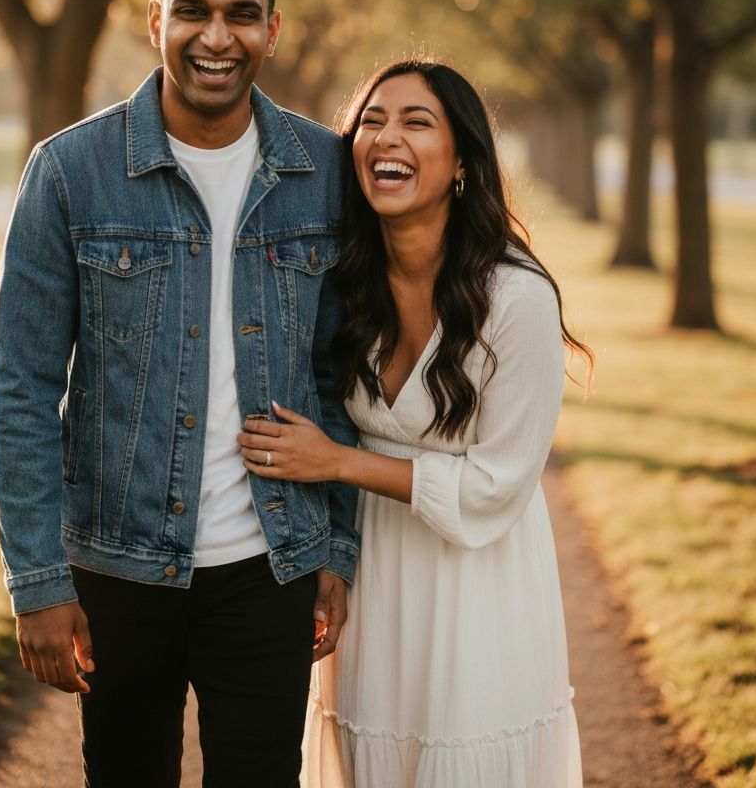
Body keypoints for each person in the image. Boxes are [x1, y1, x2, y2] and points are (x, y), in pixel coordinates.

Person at [0, 0, 359, 788]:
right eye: (192, 10)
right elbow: (23, 387)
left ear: (272, 27)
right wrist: (37, 581)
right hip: (118, 570)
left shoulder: (327, 173)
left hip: (270, 568)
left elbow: (342, 377)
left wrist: (337, 550)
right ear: (155, 21)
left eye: (240, 13)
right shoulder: (70, 172)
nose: (215, 36)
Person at [239, 59, 589, 787]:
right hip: (376, 581)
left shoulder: (516, 298)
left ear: (462, 160)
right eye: (372, 119)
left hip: (477, 584)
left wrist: (334, 461)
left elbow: (497, 487)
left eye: (415, 122)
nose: (385, 137)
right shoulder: (344, 282)